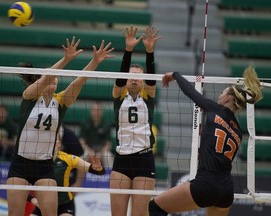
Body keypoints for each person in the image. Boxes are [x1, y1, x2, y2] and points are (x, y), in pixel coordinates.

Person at [6, 36, 114, 216]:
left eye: (56, 78)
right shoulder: (30, 96)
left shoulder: (61, 101)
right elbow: (48, 76)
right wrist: (66, 59)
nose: (54, 79)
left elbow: (79, 81)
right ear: (40, 80)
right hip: (20, 164)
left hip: (45, 166)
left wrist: (94, 62)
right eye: (51, 76)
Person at [148, 66, 262, 216]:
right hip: (226, 190)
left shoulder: (215, 109)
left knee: (155, 207)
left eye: (222, 93)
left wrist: (175, 74)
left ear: (228, 98)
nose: (219, 96)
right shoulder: (238, 132)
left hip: (206, 184)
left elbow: (191, 92)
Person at [110, 25, 161, 216]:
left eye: (138, 78)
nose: (133, 80)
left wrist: (149, 51)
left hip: (144, 160)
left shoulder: (148, 96)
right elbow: (121, 78)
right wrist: (128, 49)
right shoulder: (119, 95)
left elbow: (152, 80)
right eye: (130, 76)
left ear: (143, 81)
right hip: (121, 159)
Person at [29, 130, 105, 216]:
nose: (51, 140)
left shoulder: (67, 159)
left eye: (54, 138)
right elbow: (21, 184)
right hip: (43, 205)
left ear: (59, 143)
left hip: (64, 206)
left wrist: (98, 169)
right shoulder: (37, 160)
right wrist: (32, 199)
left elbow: (97, 171)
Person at [79, 101, 113, 167]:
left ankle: (109, 177)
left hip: (102, 152)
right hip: (88, 150)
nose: (96, 112)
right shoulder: (85, 124)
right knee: (83, 157)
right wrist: (89, 152)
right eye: (94, 110)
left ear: (102, 111)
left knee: (108, 156)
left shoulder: (106, 125)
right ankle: (80, 177)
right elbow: (81, 140)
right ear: (91, 111)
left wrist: (100, 153)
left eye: (98, 110)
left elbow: (108, 143)